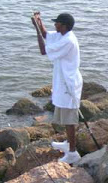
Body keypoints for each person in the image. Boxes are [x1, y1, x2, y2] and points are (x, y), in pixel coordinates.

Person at [32, 12, 83, 164]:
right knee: (64, 114)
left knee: (69, 119)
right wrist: (39, 23)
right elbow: (47, 35)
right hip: (62, 83)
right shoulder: (62, 35)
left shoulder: (68, 41)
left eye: (57, 23)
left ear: (64, 26)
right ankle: (68, 144)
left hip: (69, 85)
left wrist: (36, 28)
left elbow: (43, 50)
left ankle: (73, 152)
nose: (55, 24)